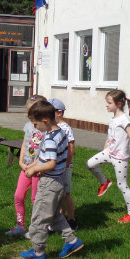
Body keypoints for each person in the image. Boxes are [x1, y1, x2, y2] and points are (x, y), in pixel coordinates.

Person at [19, 99, 84, 259]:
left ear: (45, 121)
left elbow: (50, 163)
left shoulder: (49, 139)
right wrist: (35, 165)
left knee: (39, 218)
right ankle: (72, 241)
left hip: (49, 183)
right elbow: (50, 158)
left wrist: (34, 169)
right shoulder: (60, 133)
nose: (35, 127)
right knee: (54, 215)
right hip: (59, 182)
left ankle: (38, 251)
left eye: (35, 124)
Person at [86, 90, 130, 223]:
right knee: (90, 164)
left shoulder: (124, 120)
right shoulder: (113, 119)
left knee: (122, 185)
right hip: (109, 152)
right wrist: (104, 150)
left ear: (119, 104)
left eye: (109, 103)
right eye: (106, 102)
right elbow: (110, 137)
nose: (106, 105)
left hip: (120, 157)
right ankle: (104, 182)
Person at [5, 94, 46, 237]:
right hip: (26, 167)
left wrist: (34, 165)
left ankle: (36, 228)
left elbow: (45, 151)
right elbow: (25, 142)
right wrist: (21, 161)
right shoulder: (28, 125)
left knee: (35, 199)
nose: (29, 114)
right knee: (18, 195)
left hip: (38, 169)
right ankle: (20, 225)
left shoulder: (45, 128)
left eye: (32, 111)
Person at [51, 98, 78, 231]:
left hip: (65, 166)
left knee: (66, 193)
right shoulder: (51, 127)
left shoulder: (66, 128)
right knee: (59, 193)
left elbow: (71, 147)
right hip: (55, 166)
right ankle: (60, 217)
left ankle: (71, 218)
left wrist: (66, 164)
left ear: (59, 113)